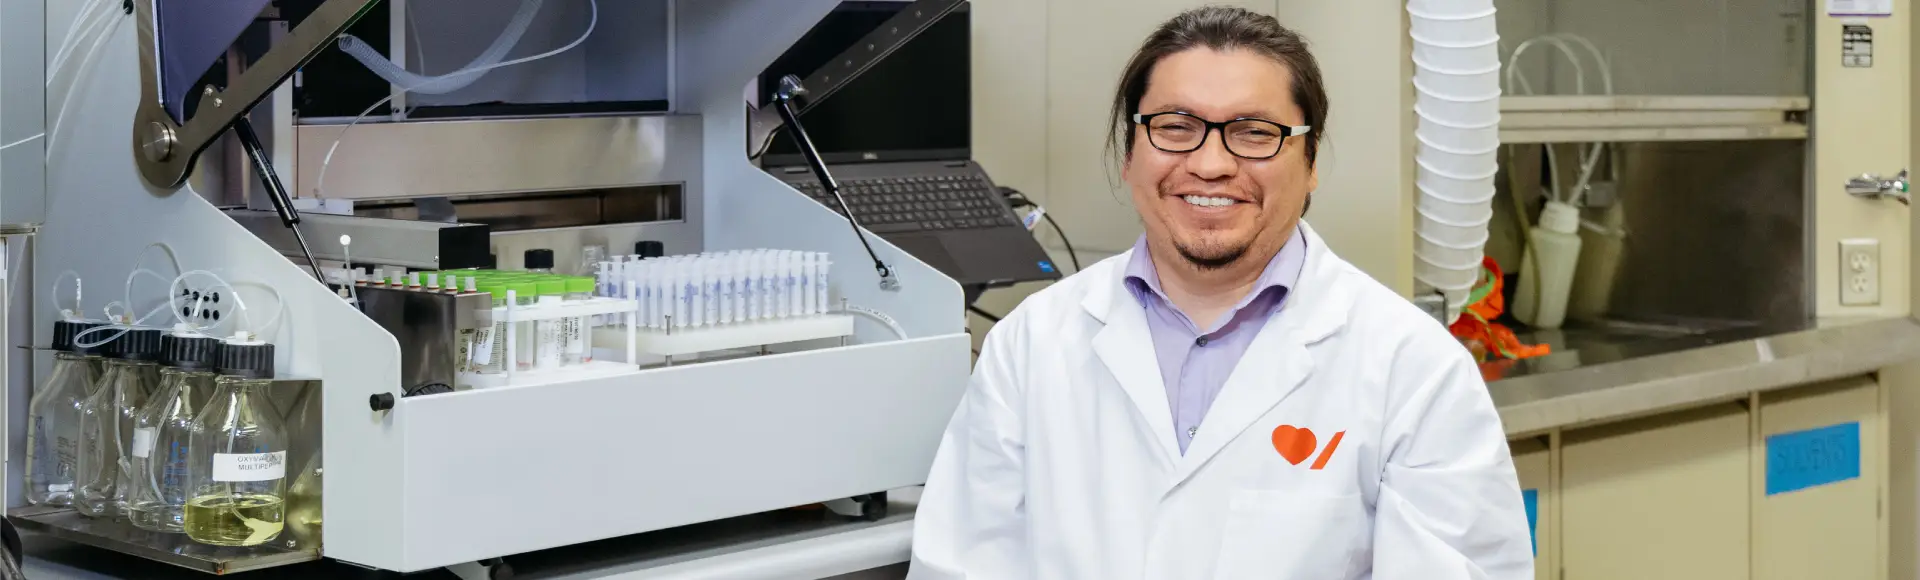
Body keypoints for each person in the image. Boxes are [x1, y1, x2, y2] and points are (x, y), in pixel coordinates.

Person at [908, 6, 1533, 579]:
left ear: (1311, 160)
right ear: (1130, 154)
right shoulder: (1032, 341)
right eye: (1175, 127)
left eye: (1255, 133)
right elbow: (960, 566)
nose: (1209, 164)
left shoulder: (1411, 367)